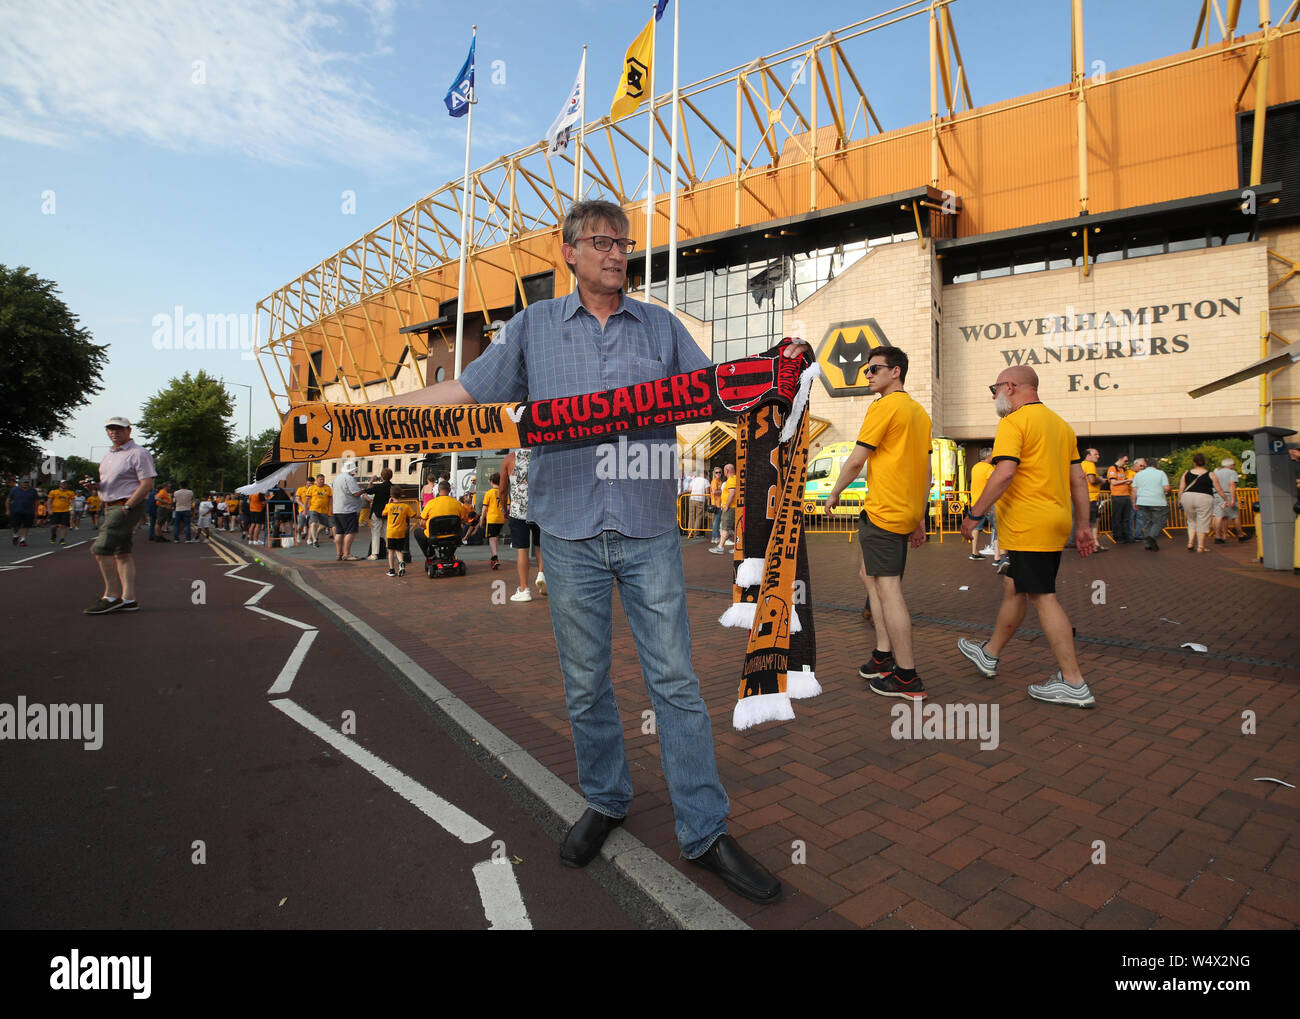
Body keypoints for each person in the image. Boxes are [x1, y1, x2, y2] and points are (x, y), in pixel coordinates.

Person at [390, 198, 797, 904]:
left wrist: (775, 372)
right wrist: (378, 417)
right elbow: (465, 392)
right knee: (585, 683)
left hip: (647, 529)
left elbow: (720, 396)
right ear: (569, 252)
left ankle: (705, 830)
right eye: (601, 241)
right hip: (570, 530)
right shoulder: (532, 329)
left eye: (624, 242)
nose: (616, 253)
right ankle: (607, 799)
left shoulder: (663, 328)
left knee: (674, 681)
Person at [957, 366, 1098, 708]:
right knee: (1016, 586)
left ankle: (1073, 682)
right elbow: (1078, 480)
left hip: (1028, 523)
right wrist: (1082, 526)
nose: (993, 395)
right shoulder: (1061, 426)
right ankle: (990, 653)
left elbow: (1005, 472)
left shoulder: (1013, 422)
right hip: (1053, 519)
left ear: (1011, 386)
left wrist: (974, 514)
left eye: (995, 388)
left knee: (1042, 595)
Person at [826, 346, 931, 700]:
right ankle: (884, 653)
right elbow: (926, 471)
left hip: (884, 510)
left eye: (874, 369)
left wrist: (834, 493)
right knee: (867, 575)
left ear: (895, 372)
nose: (867, 375)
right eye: (866, 370)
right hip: (902, 511)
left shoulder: (884, 406)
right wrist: (919, 515)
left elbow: (856, 461)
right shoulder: (918, 412)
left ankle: (906, 677)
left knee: (889, 590)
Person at [85, 417, 157, 614]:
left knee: (100, 549)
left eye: (119, 429)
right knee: (122, 553)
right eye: (110, 429)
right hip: (109, 504)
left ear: (129, 430)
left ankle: (111, 596)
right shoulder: (109, 455)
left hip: (125, 506)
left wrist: (127, 507)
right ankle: (129, 599)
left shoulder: (138, 453)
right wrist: (94, 486)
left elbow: (146, 484)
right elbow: (109, 483)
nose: (114, 432)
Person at [502, 448, 545, 602]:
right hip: (539, 509)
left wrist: (503, 507)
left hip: (518, 511)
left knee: (522, 549)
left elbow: (503, 488)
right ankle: (542, 573)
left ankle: (524, 589)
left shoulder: (510, 459)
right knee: (541, 545)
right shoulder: (541, 455)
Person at [1179, 452, 1217, 553]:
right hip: (1204, 497)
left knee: (1191, 521)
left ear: (1194, 463)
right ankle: (1200, 547)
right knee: (1203, 521)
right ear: (1204, 463)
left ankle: (1190, 542)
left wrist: (1179, 499)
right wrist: (1226, 499)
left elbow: (1181, 487)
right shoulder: (1210, 474)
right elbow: (1219, 489)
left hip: (1187, 497)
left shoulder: (1186, 473)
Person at [1132, 457, 1171, 551]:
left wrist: (1134, 502)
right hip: (1158, 501)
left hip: (1142, 501)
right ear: (1156, 465)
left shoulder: (1138, 474)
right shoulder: (1161, 473)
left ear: (1146, 465)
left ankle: (1147, 544)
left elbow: (1134, 490)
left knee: (1147, 523)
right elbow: (1166, 488)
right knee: (1159, 522)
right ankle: (1152, 537)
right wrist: (1168, 492)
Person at [332, 461, 364, 560]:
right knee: (351, 531)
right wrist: (363, 490)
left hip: (337, 509)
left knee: (339, 532)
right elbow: (356, 493)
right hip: (348, 509)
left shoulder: (337, 478)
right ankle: (347, 554)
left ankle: (339, 553)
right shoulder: (349, 479)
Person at [1212, 457, 1250, 543]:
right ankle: (1240, 535)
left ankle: (1218, 537)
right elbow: (1232, 485)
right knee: (1235, 516)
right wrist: (1233, 499)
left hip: (1217, 495)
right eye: (1233, 465)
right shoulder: (1232, 472)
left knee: (1218, 516)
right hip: (1227, 495)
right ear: (1231, 465)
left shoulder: (1216, 473)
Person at [1079, 447, 1109, 551]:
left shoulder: (1081, 465)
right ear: (1088, 456)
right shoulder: (1090, 465)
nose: (1098, 456)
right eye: (1095, 454)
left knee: (1089, 522)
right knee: (1093, 522)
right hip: (1091, 498)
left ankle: (1092, 544)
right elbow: (1092, 480)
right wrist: (1100, 480)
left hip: (1083, 497)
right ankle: (1094, 545)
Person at [382, 492, 418, 577]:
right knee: (399, 550)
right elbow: (413, 515)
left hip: (391, 532)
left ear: (391, 496)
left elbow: (383, 513)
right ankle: (401, 562)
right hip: (401, 532)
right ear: (401, 495)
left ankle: (391, 570)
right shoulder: (405, 506)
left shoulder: (389, 506)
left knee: (390, 551)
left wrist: (388, 503)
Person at [968, 447, 995, 561]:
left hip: (976, 502)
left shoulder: (975, 467)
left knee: (976, 528)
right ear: (988, 456)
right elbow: (994, 482)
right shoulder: (989, 468)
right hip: (988, 502)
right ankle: (998, 556)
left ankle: (974, 552)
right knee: (997, 527)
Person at [364, 468, 393, 562]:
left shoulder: (378, 487)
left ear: (382, 476)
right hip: (387, 512)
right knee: (386, 533)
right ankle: (390, 551)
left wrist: (371, 481)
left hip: (376, 512)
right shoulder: (392, 487)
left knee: (375, 533)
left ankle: (374, 554)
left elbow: (367, 491)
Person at [1106, 455, 1135, 543]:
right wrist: (1126, 481)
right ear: (1120, 459)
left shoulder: (1123, 470)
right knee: (1117, 517)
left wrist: (1128, 481)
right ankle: (1118, 537)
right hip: (1117, 495)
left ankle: (1126, 536)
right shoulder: (1112, 468)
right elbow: (1113, 482)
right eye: (1125, 461)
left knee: (1126, 517)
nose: (1126, 463)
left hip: (1126, 495)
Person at [709, 464, 737, 554]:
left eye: (722, 471)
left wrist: (726, 505)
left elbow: (732, 493)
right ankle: (736, 547)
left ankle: (720, 547)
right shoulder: (732, 479)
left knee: (725, 528)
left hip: (730, 507)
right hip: (730, 506)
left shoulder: (731, 479)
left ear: (726, 471)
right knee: (731, 528)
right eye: (717, 472)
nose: (720, 474)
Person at [481, 472, 505, 569]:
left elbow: (484, 508)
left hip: (491, 518)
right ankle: (494, 557)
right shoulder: (503, 492)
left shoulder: (489, 493)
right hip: (500, 519)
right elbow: (507, 506)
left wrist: (481, 519)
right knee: (496, 537)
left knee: (492, 538)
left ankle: (495, 557)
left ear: (491, 482)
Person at [7, 477, 37, 546]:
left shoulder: (33, 491)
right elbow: (8, 500)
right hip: (16, 510)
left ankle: (23, 540)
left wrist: (35, 511)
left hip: (28, 511)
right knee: (15, 526)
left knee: (26, 526)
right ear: (20, 483)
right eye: (24, 482)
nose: (25, 484)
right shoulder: (14, 490)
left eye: (27, 483)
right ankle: (15, 535)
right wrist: (7, 510)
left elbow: (35, 502)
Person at [305, 474, 332, 547]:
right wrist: (305, 510)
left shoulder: (328, 488)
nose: (322, 481)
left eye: (323, 479)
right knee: (313, 523)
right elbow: (306, 500)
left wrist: (330, 510)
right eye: (320, 479)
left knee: (323, 526)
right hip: (314, 509)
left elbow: (330, 500)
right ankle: (314, 540)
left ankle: (316, 535)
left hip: (324, 510)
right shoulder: (312, 488)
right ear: (317, 480)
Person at [47, 479, 74, 546]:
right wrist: (49, 510)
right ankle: (53, 535)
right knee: (53, 526)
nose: (64, 485)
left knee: (63, 526)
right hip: (55, 511)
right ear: (60, 484)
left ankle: (62, 539)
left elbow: (72, 502)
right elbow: (49, 501)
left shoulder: (70, 493)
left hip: (65, 511)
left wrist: (71, 510)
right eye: (63, 484)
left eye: (65, 484)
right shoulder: (53, 492)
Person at [687, 469, 709, 534]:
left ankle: (690, 531)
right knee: (698, 516)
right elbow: (707, 491)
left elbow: (689, 490)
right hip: (700, 499)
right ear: (705, 474)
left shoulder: (694, 480)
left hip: (692, 498)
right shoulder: (706, 481)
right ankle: (695, 532)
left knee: (691, 515)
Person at [708, 466, 724, 545]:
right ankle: (715, 537)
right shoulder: (715, 481)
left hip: (719, 503)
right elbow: (714, 492)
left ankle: (715, 537)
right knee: (717, 521)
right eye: (716, 472)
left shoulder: (719, 481)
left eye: (719, 472)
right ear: (714, 473)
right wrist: (723, 491)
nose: (718, 474)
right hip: (716, 504)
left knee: (717, 521)